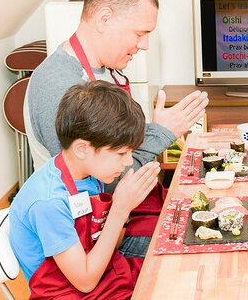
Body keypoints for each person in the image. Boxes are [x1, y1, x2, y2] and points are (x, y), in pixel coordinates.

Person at [26, 0, 208, 174]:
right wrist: (161, 133)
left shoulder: (104, 70)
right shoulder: (59, 86)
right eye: (140, 33)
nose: (145, 45)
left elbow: (114, 145)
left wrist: (157, 129)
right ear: (104, 20)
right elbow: (107, 179)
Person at [10, 81, 161, 299]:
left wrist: (126, 210)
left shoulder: (86, 174)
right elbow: (85, 282)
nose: (128, 162)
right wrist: (120, 209)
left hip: (100, 273)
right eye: (121, 153)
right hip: (70, 291)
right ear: (82, 149)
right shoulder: (49, 202)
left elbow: (105, 243)